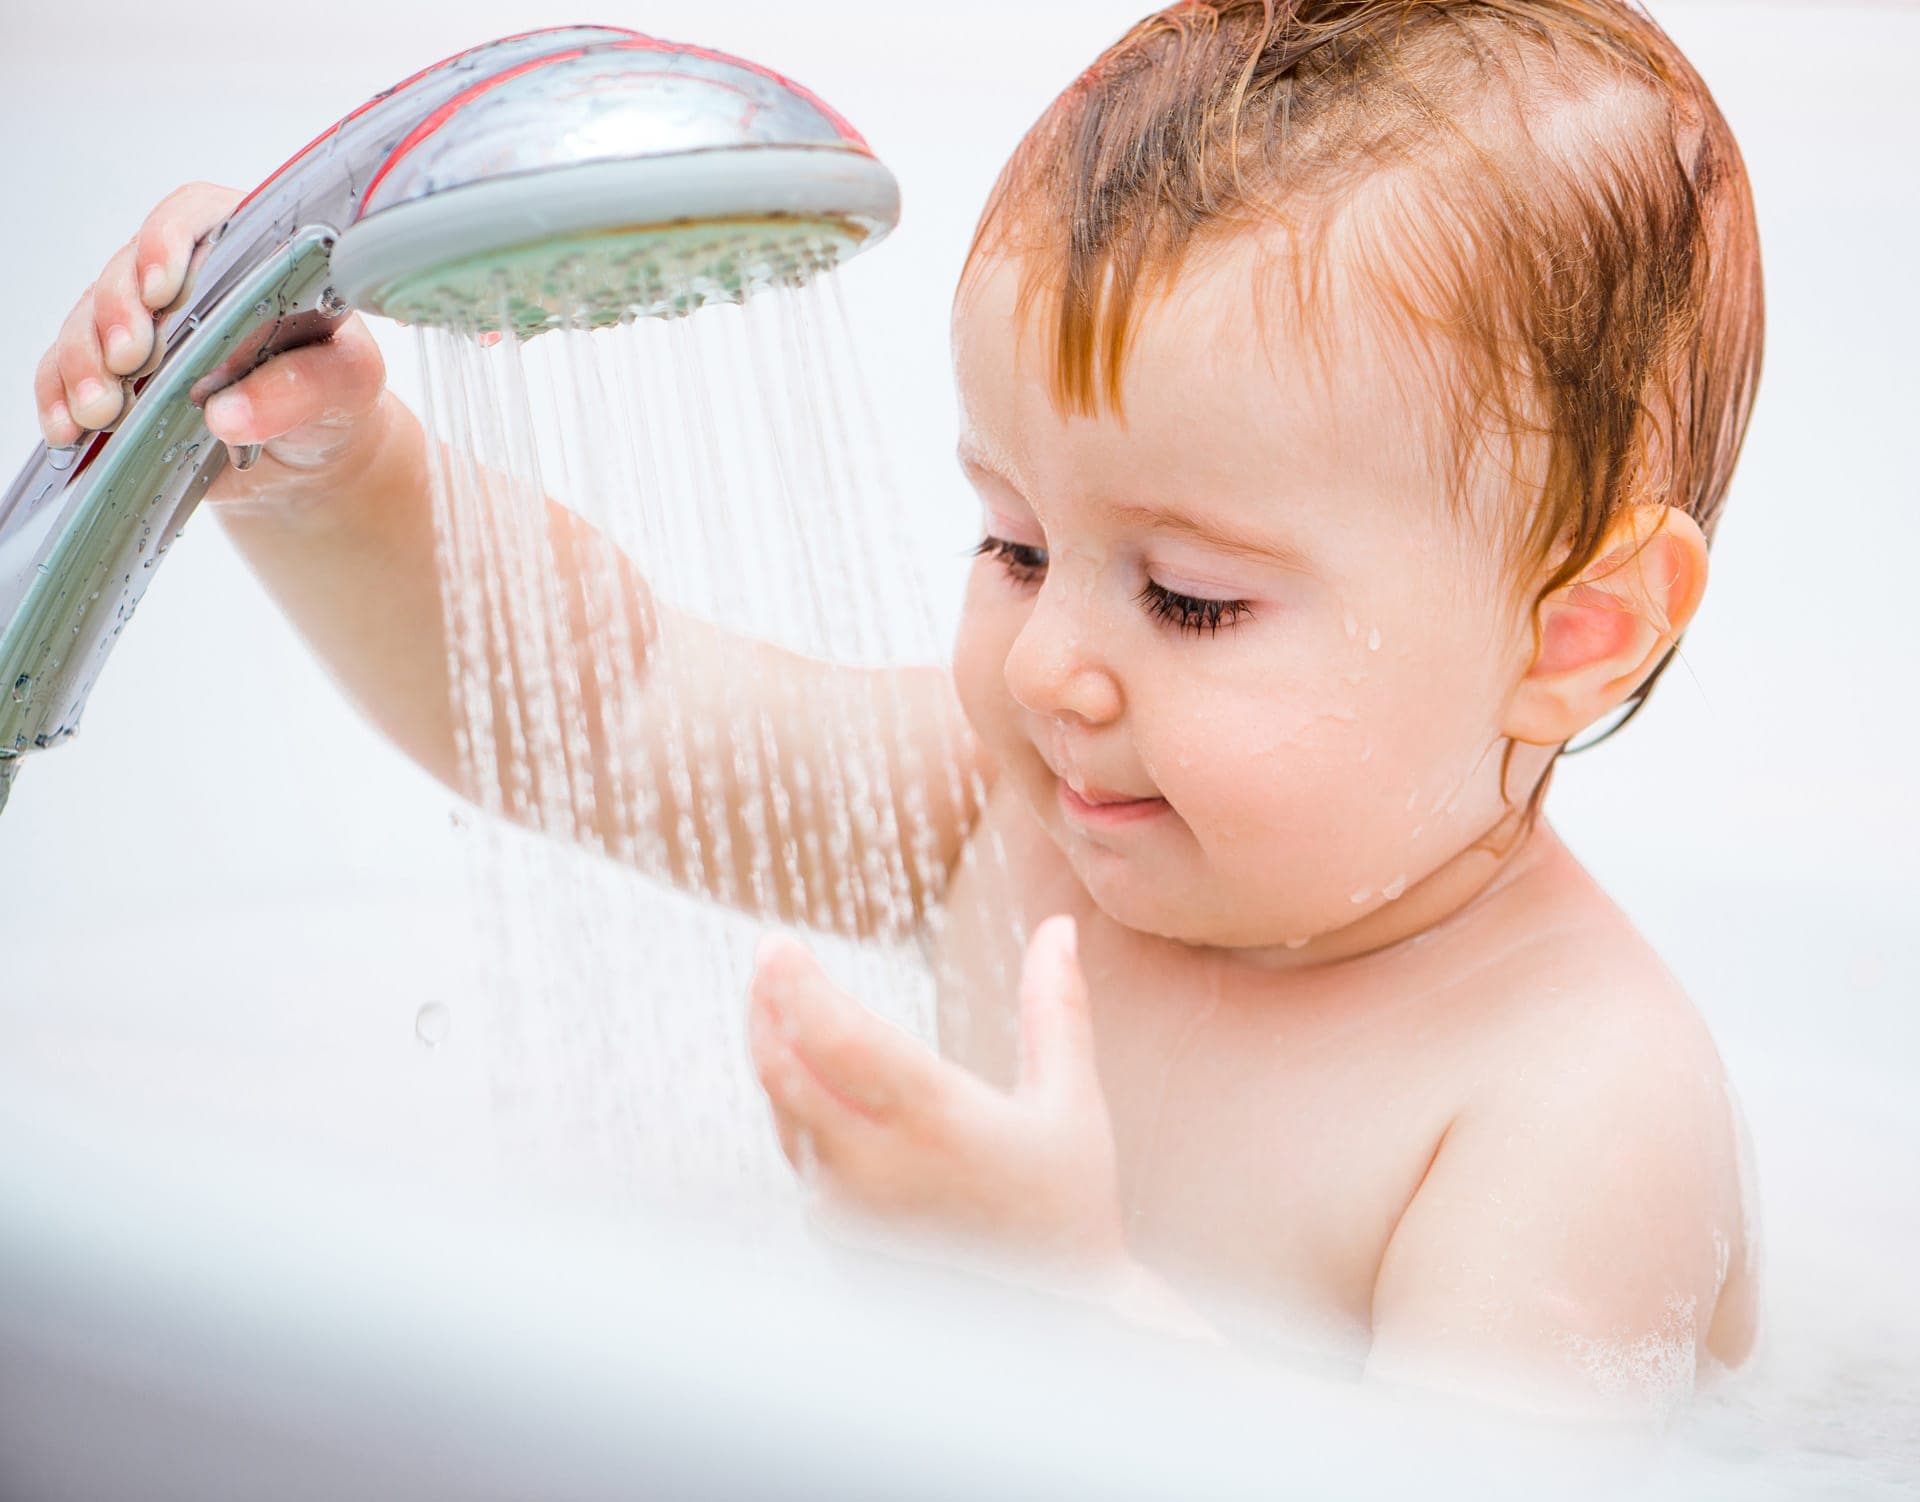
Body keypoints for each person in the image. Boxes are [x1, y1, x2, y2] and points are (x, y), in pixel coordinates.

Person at [33, 0, 1762, 1419]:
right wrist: (337, 472)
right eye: (1011, 542)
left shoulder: (1574, 1105)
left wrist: (1068, 1304)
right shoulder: (1017, 817)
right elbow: (604, 708)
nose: (1045, 667)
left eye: (1188, 597)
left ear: (1578, 631)